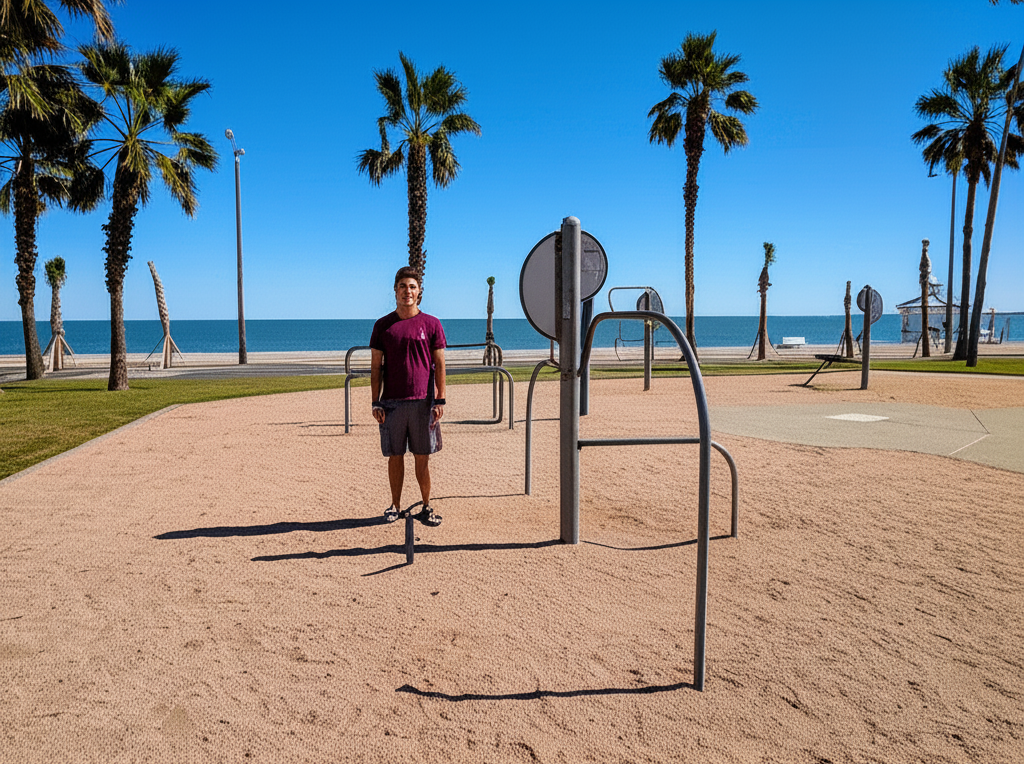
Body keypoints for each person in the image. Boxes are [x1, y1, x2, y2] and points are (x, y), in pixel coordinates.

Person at [369, 266, 447, 527]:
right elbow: (376, 367)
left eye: (412, 286)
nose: (407, 291)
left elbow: (439, 363)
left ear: (419, 292)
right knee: (395, 456)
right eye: (403, 286)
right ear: (395, 290)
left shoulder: (431, 324)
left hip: (423, 403)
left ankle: (426, 506)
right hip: (391, 403)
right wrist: (375, 401)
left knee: (422, 457)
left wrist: (440, 399)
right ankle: (395, 505)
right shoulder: (383, 326)